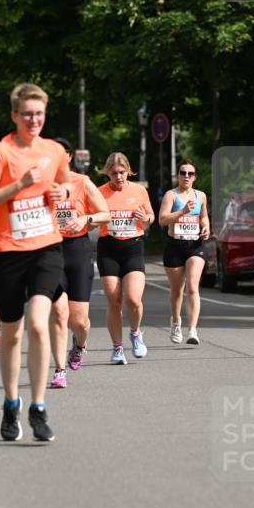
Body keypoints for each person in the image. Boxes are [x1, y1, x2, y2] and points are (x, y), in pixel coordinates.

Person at [0, 82, 71, 442]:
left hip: (46, 248)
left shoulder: (53, 151)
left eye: (39, 114)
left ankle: (39, 406)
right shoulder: (0, 152)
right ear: (15, 115)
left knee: (38, 324)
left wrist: (61, 191)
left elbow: (66, 185)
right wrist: (19, 185)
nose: (34, 120)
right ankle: (11, 402)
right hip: (7, 252)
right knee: (13, 332)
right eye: (28, 114)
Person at [48, 138, 109, 389]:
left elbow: (105, 213)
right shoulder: (41, 185)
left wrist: (86, 219)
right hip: (50, 251)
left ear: (69, 156)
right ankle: (59, 370)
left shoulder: (82, 182)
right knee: (58, 312)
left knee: (79, 320)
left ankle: (79, 345)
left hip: (78, 250)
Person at [97, 152, 154, 364]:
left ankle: (135, 332)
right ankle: (117, 348)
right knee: (114, 301)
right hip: (108, 248)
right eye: (114, 173)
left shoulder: (139, 190)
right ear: (107, 173)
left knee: (133, 299)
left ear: (128, 171)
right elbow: (92, 218)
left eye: (122, 172)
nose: (119, 177)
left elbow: (151, 217)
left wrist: (145, 218)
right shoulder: (99, 193)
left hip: (133, 247)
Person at [158, 159, 210, 345]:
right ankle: (176, 322)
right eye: (183, 173)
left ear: (195, 177)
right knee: (177, 289)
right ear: (178, 175)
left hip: (195, 245)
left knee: (193, 286)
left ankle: (193, 330)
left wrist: (206, 227)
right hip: (175, 246)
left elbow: (203, 216)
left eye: (190, 173)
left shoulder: (200, 196)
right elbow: (162, 220)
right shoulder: (171, 195)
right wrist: (181, 211)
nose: (186, 176)